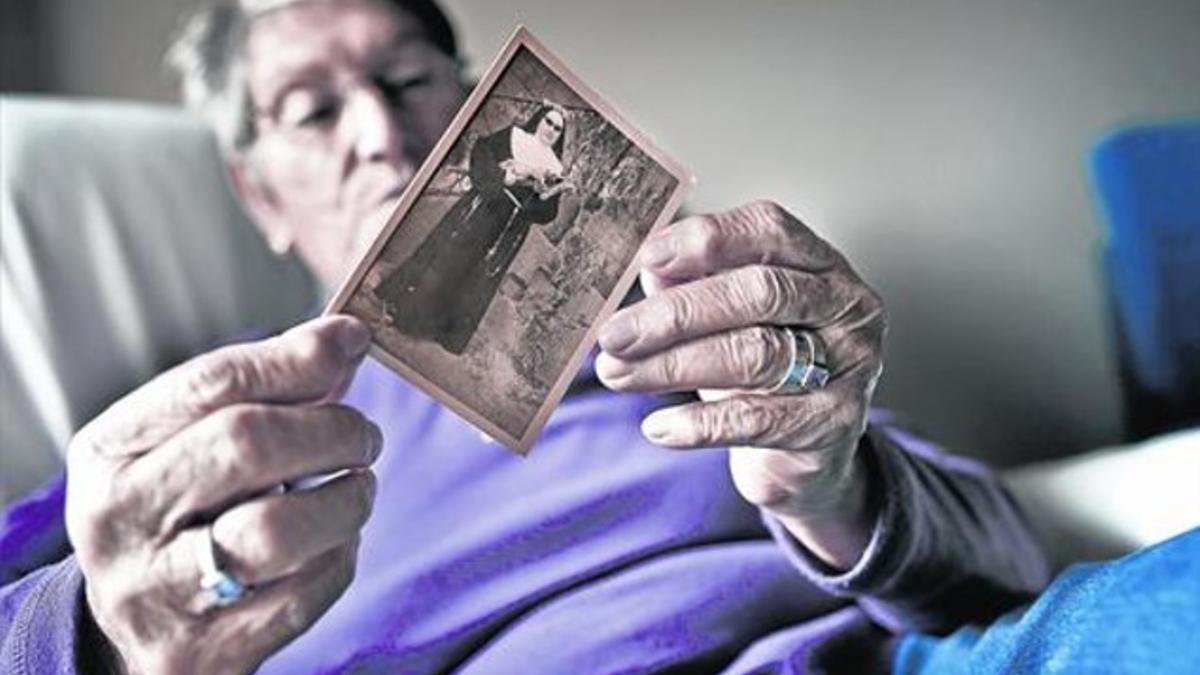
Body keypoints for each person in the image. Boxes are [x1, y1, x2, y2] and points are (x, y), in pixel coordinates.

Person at [0, 0, 1075, 672]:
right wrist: (101, 639)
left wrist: (838, 488)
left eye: (406, 78)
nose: (382, 135)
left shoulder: (677, 321)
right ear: (258, 195)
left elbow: (1011, 554)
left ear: (476, 108)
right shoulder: (202, 431)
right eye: (312, 111)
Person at [375, 102, 576, 354]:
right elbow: (482, 151)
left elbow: (547, 214)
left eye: (557, 128)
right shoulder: (515, 136)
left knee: (475, 276)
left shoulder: (554, 167)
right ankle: (407, 314)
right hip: (481, 207)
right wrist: (504, 177)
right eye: (549, 121)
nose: (551, 130)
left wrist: (543, 196)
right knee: (446, 259)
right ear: (539, 119)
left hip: (508, 226)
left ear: (560, 135)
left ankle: (440, 329)